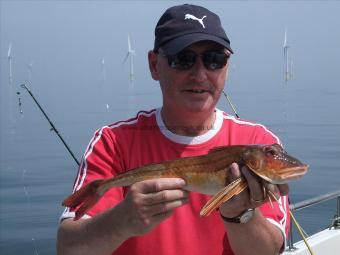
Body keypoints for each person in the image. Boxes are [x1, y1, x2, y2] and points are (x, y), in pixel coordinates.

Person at [57, 4, 290, 255]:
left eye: (214, 60)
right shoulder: (112, 143)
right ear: (154, 64)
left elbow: (269, 252)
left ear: (227, 66)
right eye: (183, 59)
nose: (200, 75)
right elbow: (68, 249)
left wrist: (241, 214)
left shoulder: (259, 144)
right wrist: (120, 222)